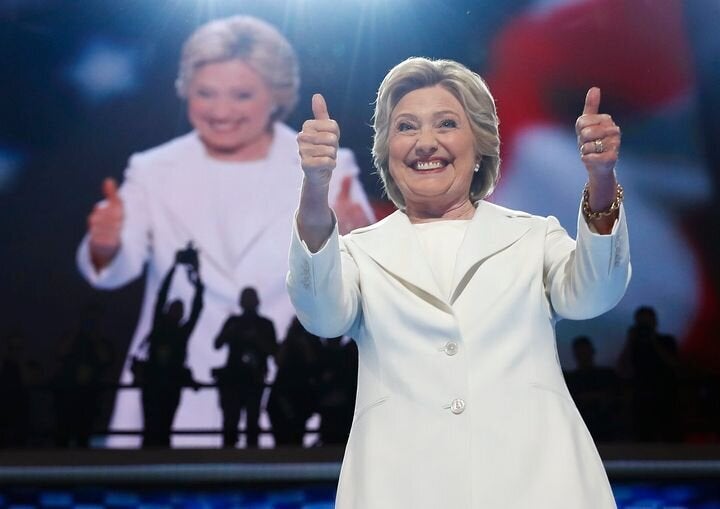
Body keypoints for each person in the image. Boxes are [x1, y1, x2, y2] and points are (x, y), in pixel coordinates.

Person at [288, 57, 630, 507]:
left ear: (481, 144)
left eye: (446, 124)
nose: (425, 142)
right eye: (406, 127)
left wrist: (602, 181)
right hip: (401, 487)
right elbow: (323, 316)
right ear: (387, 150)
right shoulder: (359, 253)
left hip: (537, 482)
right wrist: (316, 186)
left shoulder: (532, 236)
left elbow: (595, 294)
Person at [76, 16, 374, 446]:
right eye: (205, 93)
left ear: (277, 95)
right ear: (185, 89)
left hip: (290, 401)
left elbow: (358, 284)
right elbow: (116, 269)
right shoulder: (151, 169)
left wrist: (358, 237)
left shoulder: (329, 167)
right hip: (172, 398)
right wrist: (105, 245)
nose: (221, 111)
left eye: (242, 95)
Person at [212, 287, 277, 448]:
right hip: (233, 380)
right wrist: (231, 332)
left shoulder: (265, 324)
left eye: (250, 298)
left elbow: (274, 351)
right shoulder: (234, 322)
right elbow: (217, 343)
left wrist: (257, 339)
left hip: (253, 381)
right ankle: (231, 459)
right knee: (230, 423)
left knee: (252, 423)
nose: (248, 302)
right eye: (246, 298)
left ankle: (250, 459)